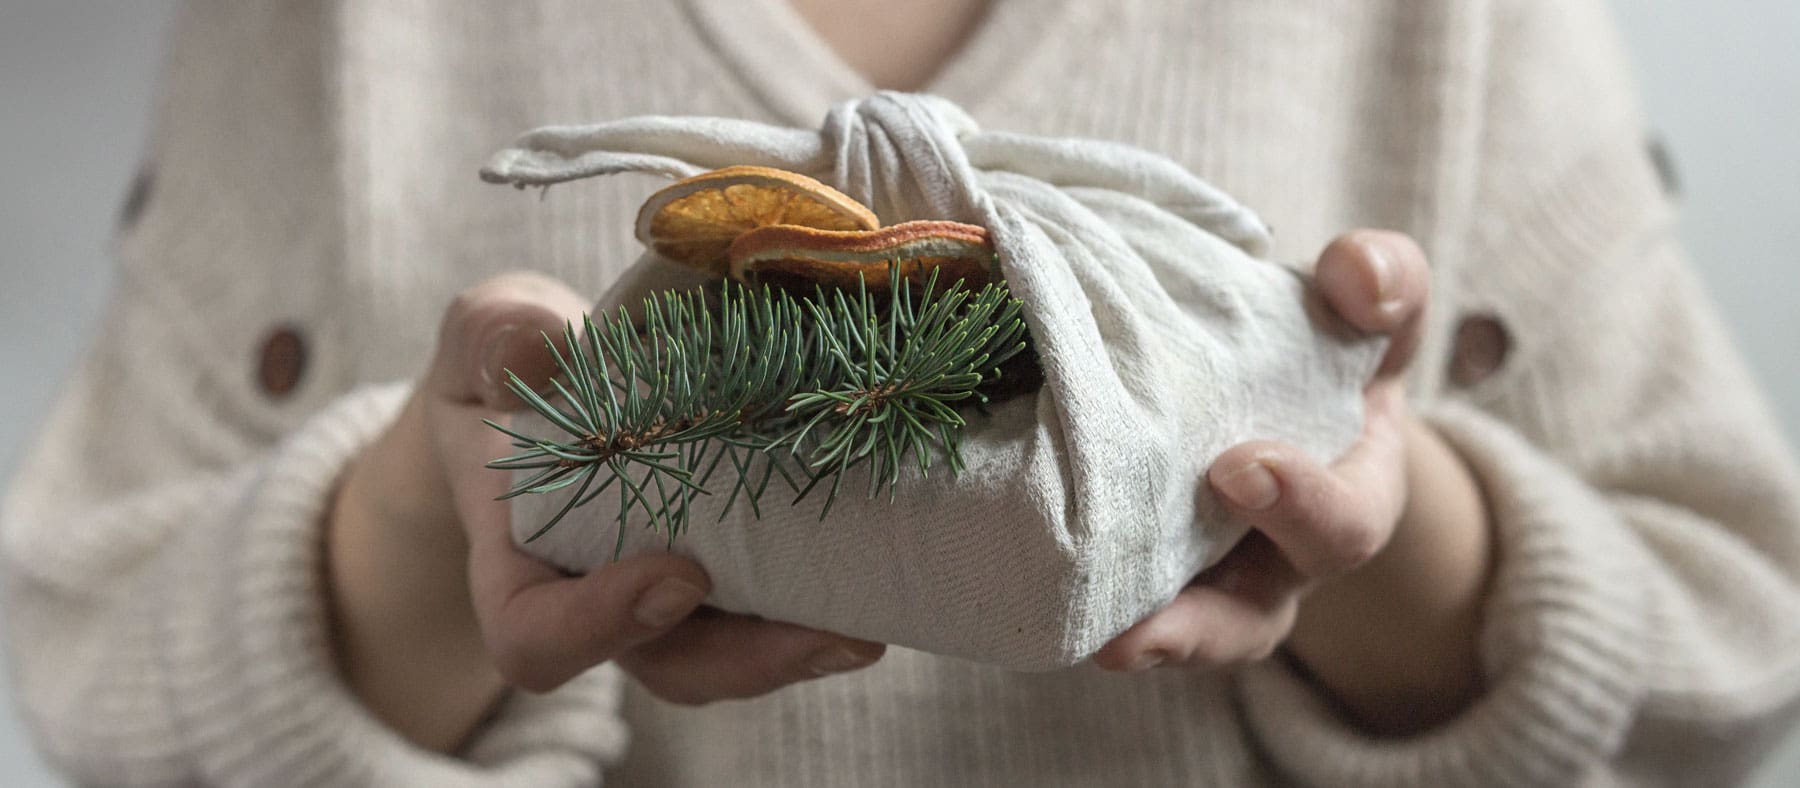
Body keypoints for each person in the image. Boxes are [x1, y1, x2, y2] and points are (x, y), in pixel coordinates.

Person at [5, 0, 1799, 785]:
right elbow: (84, 645)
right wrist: (419, 519)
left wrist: (1388, 542)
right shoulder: (322, 26)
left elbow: (1735, 654)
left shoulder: (1447, 18)